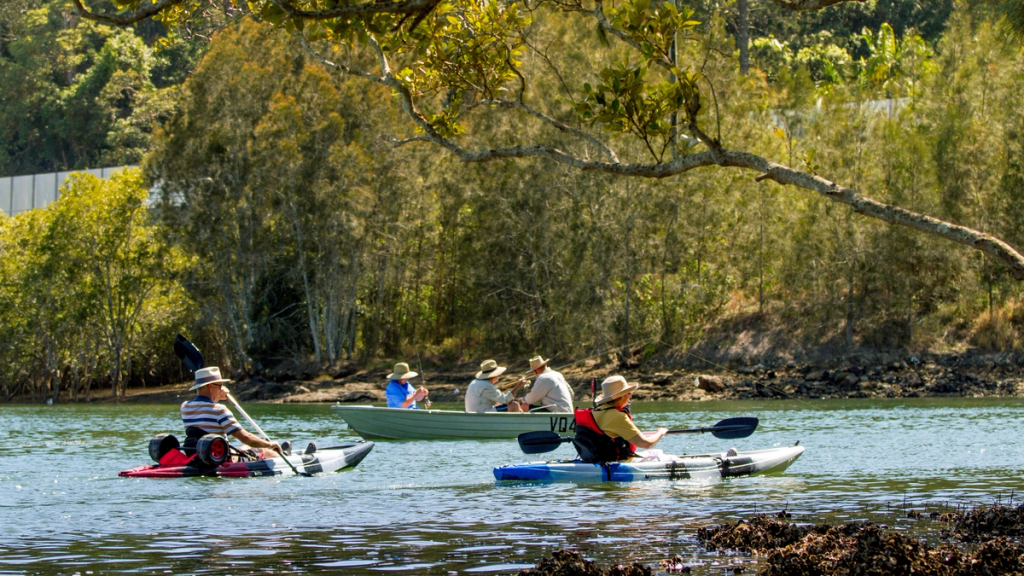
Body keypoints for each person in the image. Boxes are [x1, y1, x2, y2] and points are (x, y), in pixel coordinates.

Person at [180, 366, 284, 458]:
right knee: (266, 450)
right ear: (210, 387)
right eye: (220, 386)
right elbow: (246, 438)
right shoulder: (220, 410)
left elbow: (205, 407)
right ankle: (283, 453)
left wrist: (217, 395)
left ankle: (283, 448)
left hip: (201, 455)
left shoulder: (185, 407)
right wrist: (270, 445)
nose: (222, 389)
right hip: (222, 459)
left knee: (245, 448)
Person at [572, 375, 667, 463]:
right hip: (621, 464)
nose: (630, 395)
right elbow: (646, 444)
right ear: (620, 396)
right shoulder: (618, 417)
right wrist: (660, 433)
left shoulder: (595, 412)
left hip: (598, 460)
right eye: (628, 393)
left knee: (656, 453)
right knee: (661, 455)